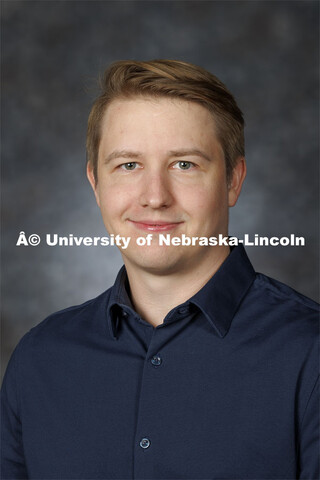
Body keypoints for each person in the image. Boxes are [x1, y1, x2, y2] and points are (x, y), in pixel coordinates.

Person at [1, 60, 318, 480]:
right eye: (128, 165)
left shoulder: (310, 354)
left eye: (184, 164)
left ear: (233, 182)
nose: (154, 197)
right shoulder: (39, 359)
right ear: (96, 185)